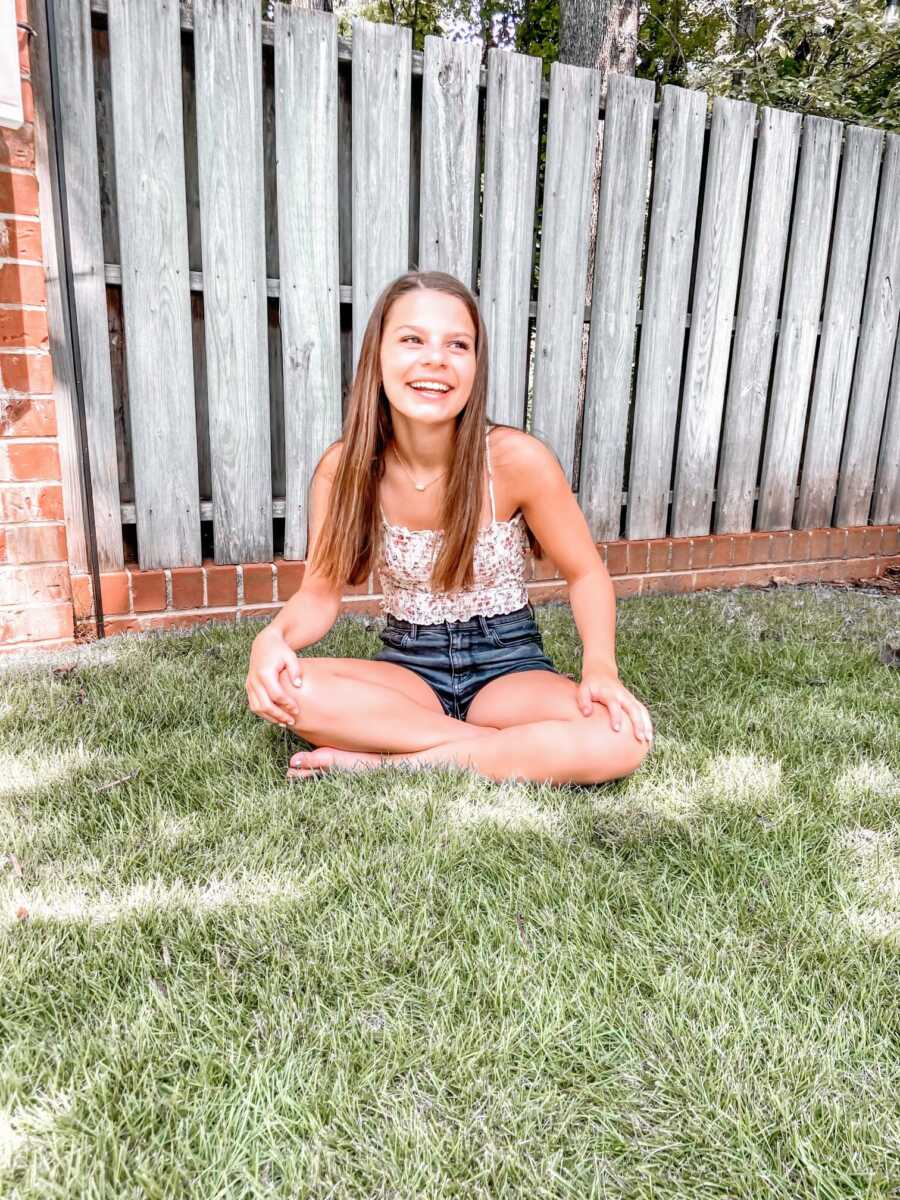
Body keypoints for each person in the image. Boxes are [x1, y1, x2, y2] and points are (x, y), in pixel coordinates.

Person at [245, 270, 653, 786]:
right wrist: (273, 637)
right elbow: (320, 595)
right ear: (378, 357)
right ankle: (504, 751)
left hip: (508, 666)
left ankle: (396, 761)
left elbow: (586, 574)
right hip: (409, 668)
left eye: (457, 344)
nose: (435, 358)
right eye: (412, 339)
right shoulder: (343, 468)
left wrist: (600, 670)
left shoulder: (515, 459)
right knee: (290, 689)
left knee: (623, 738)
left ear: (474, 366)